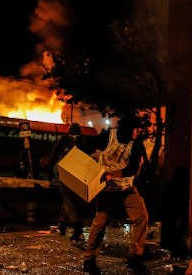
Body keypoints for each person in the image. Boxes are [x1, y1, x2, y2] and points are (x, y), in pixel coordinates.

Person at [83, 116, 149, 275]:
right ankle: (89, 259)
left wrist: (111, 174)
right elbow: (85, 148)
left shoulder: (136, 144)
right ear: (126, 129)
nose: (137, 132)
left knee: (141, 217)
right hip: (106, 190)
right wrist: (93, 169)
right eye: (135, 129)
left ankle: (135, 256)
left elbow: (131, 169)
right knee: (100, 223)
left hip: (126, 188)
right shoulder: (107, 137)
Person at [41, 123, 85, 241]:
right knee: (69, 200)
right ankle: (63, 225)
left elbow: (54, 155)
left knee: (67, 200)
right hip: (79, 175)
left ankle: (77, 227)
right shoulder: (83, 141)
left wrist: (48, 170)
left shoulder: (64, 140)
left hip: (65, 174)